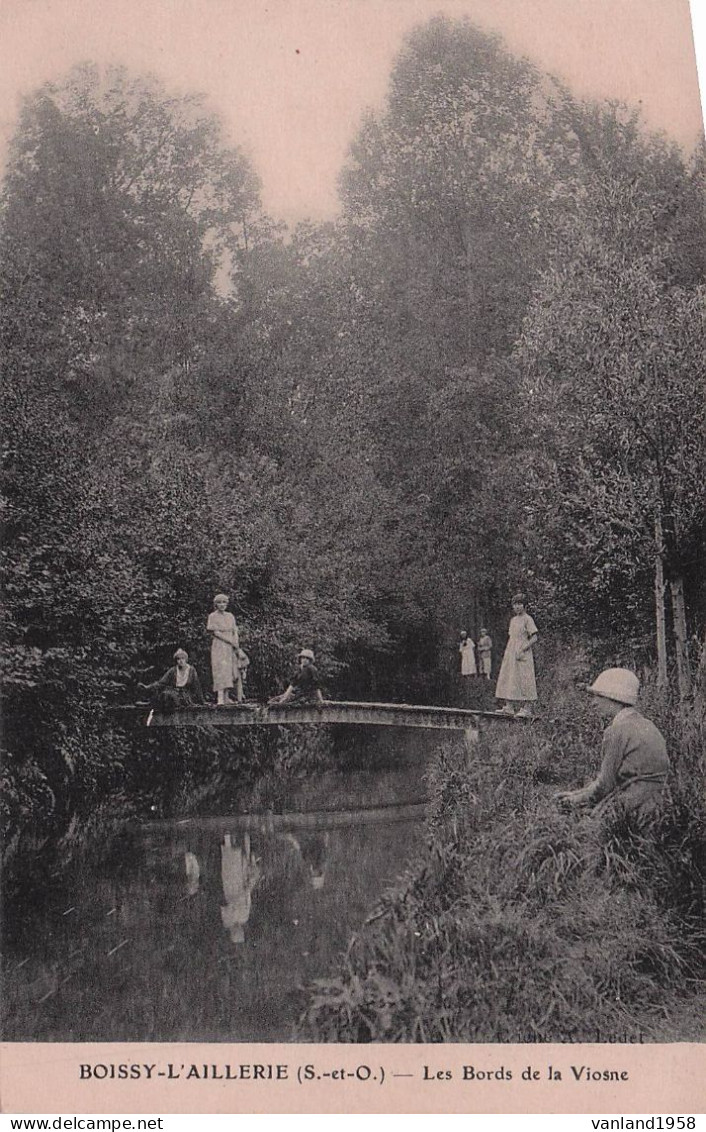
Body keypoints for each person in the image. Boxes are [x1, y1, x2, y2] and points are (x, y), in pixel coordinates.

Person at [555, 668, 670, 823]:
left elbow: (605, 785)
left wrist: (573, 801)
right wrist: (576, 794)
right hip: (661, 804)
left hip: (632, 806)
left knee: (569, 819)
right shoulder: (648, 725)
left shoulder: (616, 731)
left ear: (612, 698)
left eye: (598, 696)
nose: (593, 703)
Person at [495, 593, 538, 716]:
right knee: (509, 677)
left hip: (523, 653)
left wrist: (523, 648)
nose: (517, 607)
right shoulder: (513, 620)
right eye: (515, 604)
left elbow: (534, 637)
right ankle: (509, 706)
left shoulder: (527, 619)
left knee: (525, 678)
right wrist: (511, 651)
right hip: (511, 652)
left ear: (525, 606)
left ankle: (527, 708)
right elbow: (512, 637)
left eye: (520, 604)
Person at [220, 832, 261, 945]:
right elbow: (248, 900)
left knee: (230, 862)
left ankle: (227, 836)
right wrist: (248, 888)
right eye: (240, 932)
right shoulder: (244, 917)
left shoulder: (227, 922)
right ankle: (242, 835)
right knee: (243, 861)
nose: (238, 930)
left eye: (236, 933)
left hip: (231, 887)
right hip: (243, 884)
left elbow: (226, 905)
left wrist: (236, 901)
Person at [138, 648, 205, 712]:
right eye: (178, 659)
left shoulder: (191, 670)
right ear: (176, 661)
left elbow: (197, 686)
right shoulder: (173, 670)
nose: (181, 661)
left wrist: (202, 701)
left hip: (186, 696)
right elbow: (161, 683)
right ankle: (148, 702)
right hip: (174, 692)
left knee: (170, 697)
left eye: (183, 658)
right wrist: (148, 687)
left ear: (186, 659)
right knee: (165, 695)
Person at [207, 593, 243, 705]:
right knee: (220, 670)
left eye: (224, 602)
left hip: (230, 647)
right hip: (219, 645)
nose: (222, 605)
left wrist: (235, 641)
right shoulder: (212, 616)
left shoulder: (230, 616)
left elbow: (234, 630)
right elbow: (216, 632)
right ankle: (220, 698)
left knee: (229, 671)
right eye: (219, 602)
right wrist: (230, 640)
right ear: (215, 604)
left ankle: (227, 697)